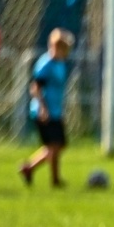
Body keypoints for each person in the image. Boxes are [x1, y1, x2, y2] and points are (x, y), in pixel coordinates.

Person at [20, 29, 74, 188]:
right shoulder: (46, 64)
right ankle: (47, 176)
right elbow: (35, 88)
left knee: (58, 145)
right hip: (44, 112)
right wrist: (43, 108)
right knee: (54, 146)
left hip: (55, 111)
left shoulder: (60, 64)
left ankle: (33, 170)